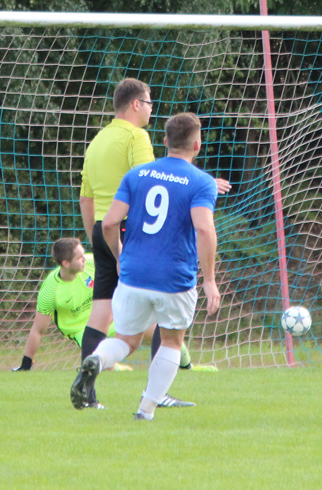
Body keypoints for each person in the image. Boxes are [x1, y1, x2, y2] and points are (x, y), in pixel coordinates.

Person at [78, 78, 229, 407]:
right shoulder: (137, 137)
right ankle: (155, 396)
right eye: (148, 103)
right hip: (138, 239)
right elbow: (156, 186)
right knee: (167, 318)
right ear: (135, 104)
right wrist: (199, 185)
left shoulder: (97, 140)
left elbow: (86, 197)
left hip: (103, 231)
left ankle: (89, 394)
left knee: (100, 316)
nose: (150, 108)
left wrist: (97, 241)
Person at [13, 238, 195, 407]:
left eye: (84, 254)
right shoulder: (50, 289)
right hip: (82, 331)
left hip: (108, 316)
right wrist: (26, 364)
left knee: (161, 331)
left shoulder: (92, 263)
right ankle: (115, 371)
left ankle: (188, 368)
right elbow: (38, 330)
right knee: (100, 365)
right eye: (79, 257)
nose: (85, 259)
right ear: (66, 264)